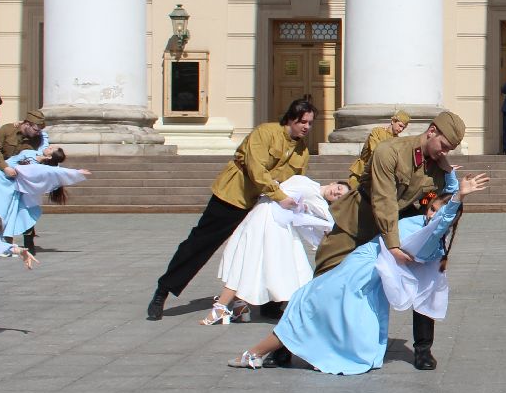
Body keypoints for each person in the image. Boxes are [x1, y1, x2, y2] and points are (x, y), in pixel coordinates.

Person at [228, 172, 486, 372]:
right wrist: (450, 173)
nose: (431, 214)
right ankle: (267, 352)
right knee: (311, 304)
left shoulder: (432, 235)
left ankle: (255, 354)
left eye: (437, 212)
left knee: (311, 306)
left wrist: (459, 197)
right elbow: (443, 204)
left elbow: (444, 217)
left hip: (362, 275)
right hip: (359, 268)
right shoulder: (425, 225)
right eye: (430, 208)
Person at [316, 111, 468, 370]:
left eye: (450, 150)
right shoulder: (390, 151)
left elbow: (434, 203)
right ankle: (287, 344)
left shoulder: (438, 168)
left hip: (403, 225)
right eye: (443, 146)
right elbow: (384, 200)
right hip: (359, 221)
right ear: (431, 131)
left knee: (425, 279)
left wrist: (432, 236)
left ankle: (423, 349)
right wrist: (393, 244)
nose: (444, 153)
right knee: (323, 278)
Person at [147, 100, 316, 321]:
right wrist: (279, 196)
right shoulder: (265, 133)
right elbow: (256, 168)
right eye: (302, 121)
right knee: (200, 245)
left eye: (310, 123)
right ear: (290, 119)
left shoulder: (302, 151)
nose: (306, 127)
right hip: (233, 196)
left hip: (264, 205)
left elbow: (295, 181)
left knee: (271, 250)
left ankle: (269, 303)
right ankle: (163, 291)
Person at [202, 176, 349, 325]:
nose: (336, 193)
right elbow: (329, 219)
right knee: (249, 261)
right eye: (338, 189)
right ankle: (231, 307)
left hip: (264, 218)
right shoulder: (314, 193)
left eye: (339, 196)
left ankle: (233, 307)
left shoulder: (308, 187)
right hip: (268, 223)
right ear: (333, 183)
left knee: (247, 261)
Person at [0, 145, 88, 249]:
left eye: (51, 149)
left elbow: (51, 171)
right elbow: (43, 139)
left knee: (3, 213)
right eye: (50, 146)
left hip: (9, 186)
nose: (48, 147)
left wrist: (75, 172)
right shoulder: (33, 154)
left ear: (50, 157)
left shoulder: (38, 166)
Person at [0, 109, 48, 248]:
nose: (37, 133)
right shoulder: (7, 130)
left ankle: (28, 239)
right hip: (1, 175)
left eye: (39, 130)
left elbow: (35, 155)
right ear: (26, 124)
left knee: (24, 208)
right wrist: (5, 167)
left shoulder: (37, 138)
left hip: (21, 178)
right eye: (35, 129)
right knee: (0, 208)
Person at [347, 112, 410, 192]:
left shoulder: (397, 141)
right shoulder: (377, 131)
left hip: (378, 175)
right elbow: (375, 150)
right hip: (362, 172)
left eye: (403, 128)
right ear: (393, 121)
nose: (401, 129)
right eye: (400, 125)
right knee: (350, 193)